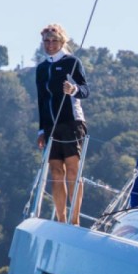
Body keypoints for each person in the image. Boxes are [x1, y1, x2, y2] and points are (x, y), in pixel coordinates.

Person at [36, 23, 89, 225]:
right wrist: (41, 129)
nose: (50, 45)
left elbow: (85, 90)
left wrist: (73, 89)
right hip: (51, 126)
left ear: (62, 42)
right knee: (56, 172)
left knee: (73, 170)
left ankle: (74, 221)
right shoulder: (41, 69)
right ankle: (61, 220)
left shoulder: (71, 63)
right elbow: (42, 100)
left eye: (54, 41)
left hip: (72, 122)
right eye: (46, 41)